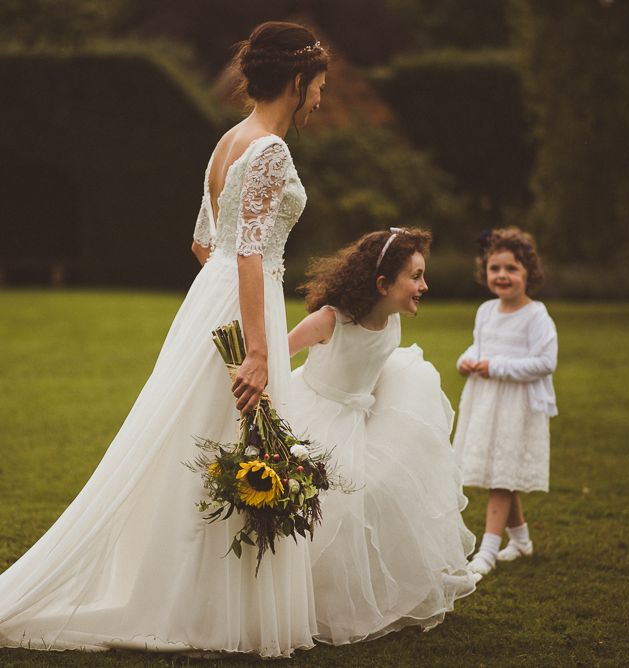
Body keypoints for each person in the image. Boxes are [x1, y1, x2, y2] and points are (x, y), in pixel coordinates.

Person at [0, 21, 328, 658]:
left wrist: (223, 299)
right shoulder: (270, 150)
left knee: (202, 446)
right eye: (318, 86)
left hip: (215, 301)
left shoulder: (227, 141)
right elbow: (252, 254)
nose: (319, 98)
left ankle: (202, 595)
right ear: (296, 80)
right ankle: (211, 608)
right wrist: (258, 350)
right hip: (245, 306)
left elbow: (206, 243)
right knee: (229, 442)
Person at [286, 228, 479, 645]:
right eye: (415, 276)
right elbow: (276, 355)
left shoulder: (391, 323)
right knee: (323, 505)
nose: (424, 286)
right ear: (382, 284)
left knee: (376, 495)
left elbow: (373, 372)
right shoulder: (330, 321)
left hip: (356, 417)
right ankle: (298, 601)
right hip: (311, 413)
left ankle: (348, 596)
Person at [452, 227, 558, 576]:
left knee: (502, 476)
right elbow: (480, 346)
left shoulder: (536, 315)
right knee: (501, 470)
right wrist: (467, 360)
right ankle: (523, 541)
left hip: (516, 407)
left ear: (529, 272)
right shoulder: (486, 311)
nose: (502, 276)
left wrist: (496, 367)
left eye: (511, 268)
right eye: (495, 268)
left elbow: (545, 363)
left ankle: (487, 549)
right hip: (485, 402)